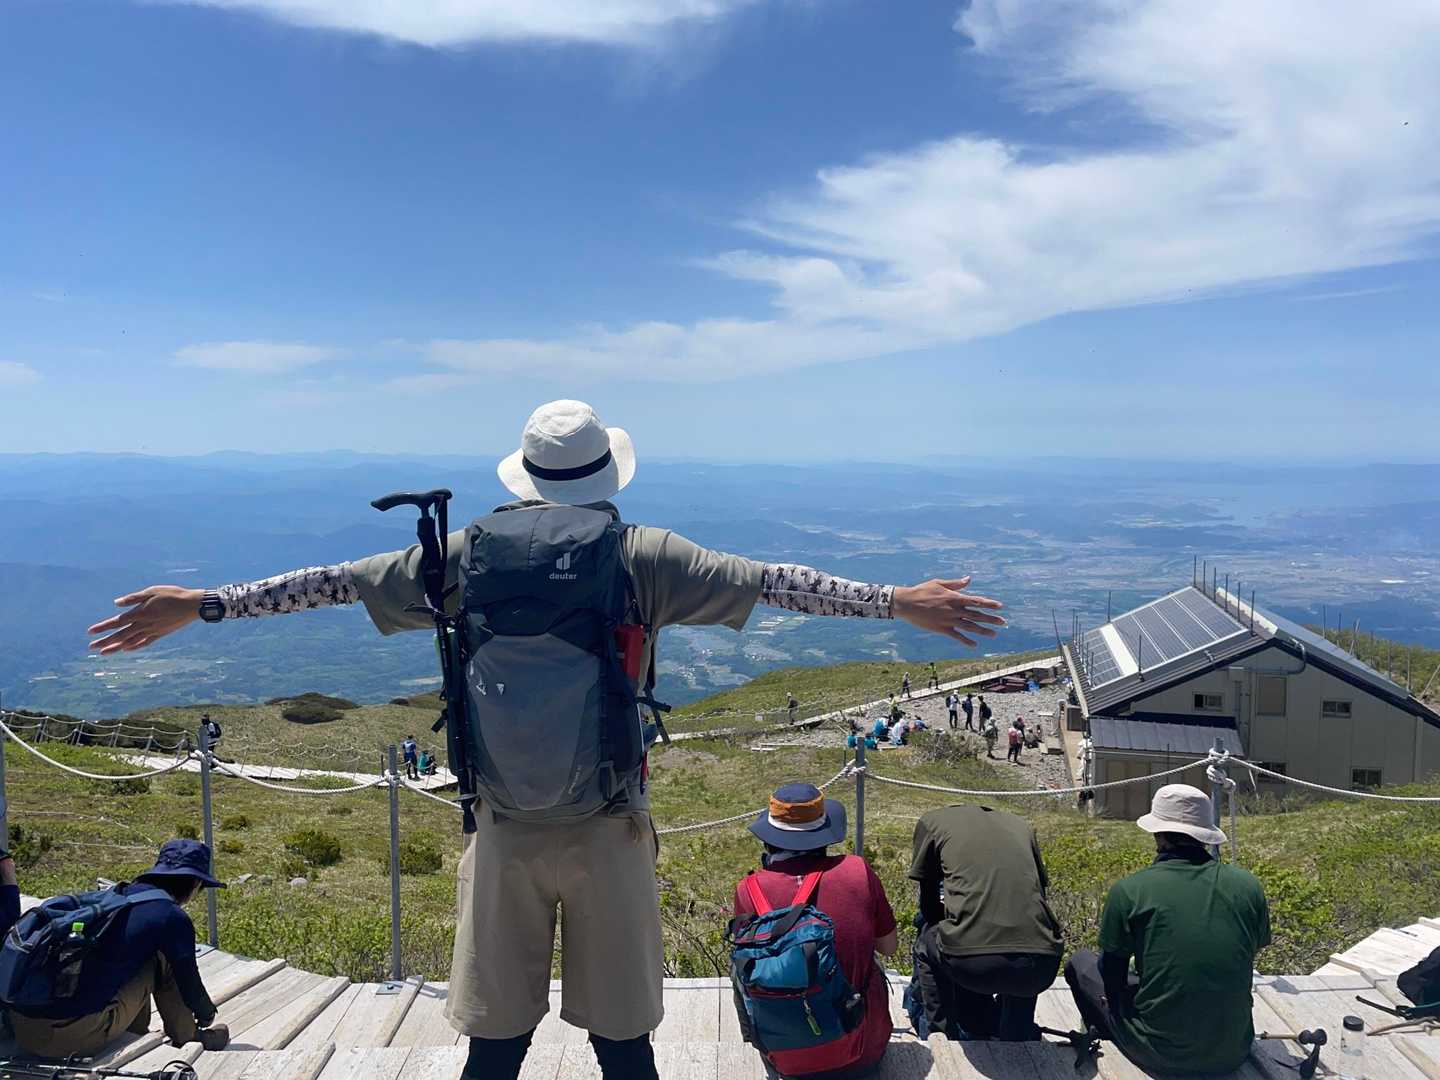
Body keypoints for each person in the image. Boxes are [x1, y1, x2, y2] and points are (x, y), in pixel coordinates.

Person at [87, 400, 1007, 1080]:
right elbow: (778, 582)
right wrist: (896, 601)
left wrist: (203, 604)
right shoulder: (644, 555)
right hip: (610, 823)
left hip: (500, 825)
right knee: (622, 1038)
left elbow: (328, 583)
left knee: (496, 1039)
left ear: (523, 477)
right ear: (606, 475)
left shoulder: (462, 554)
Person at [1065, 785, 1270, 1076]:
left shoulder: (1130, 890)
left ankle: (1111, 1037)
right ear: (1205, 834)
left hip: (1162, 1053)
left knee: (1080, 963)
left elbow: (1112, 977)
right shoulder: (1248, 886)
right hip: (1233, 1049)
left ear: (1158, 834)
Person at [733, 784, 897, 1078]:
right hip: (864, 1051)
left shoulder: (749, 889)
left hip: (788, 1058)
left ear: (769, 839)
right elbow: (888, 946)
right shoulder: (857, 871)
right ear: (824, 834)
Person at [8, 840, 229, 1058]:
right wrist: (206, 1012)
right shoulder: (171, 916)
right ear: (195, 884)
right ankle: (188, 1036)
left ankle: (132, 1030)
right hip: (71, 1038)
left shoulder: (117, 896)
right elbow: (189, 981)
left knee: (136, 956)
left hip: (23, 1029)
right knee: (162, 960)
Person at [910, 806, 1063, 1041]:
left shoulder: (932, 822)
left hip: (973, 968)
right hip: (1041, 968)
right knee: (1028, 934)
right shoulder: (1021, 826)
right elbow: (1037, 899)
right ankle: (1017, 1036)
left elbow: (929, 910)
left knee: (926, 939)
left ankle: (941, 1036)